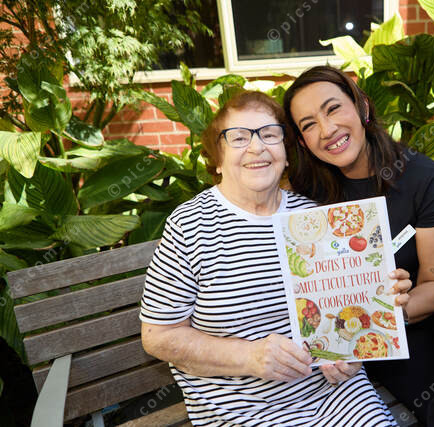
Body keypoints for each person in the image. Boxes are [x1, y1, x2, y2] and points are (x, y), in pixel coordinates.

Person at [139, 90, 410, 426]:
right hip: (242, 409)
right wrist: (249, 356)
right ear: (218, 158)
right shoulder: (190, 225)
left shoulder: (313, 218)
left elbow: (344, 313)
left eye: (269, 135)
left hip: (336, 396)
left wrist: (352, 352)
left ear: (285, 153)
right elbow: (158, 335)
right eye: (239, 137)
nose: (257, 147)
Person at [283, 66, 434, 427]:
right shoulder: (306, 195)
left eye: (333, 108)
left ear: (362, 106)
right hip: (378, 325)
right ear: (301, 141)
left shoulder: (423, 177)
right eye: (308, 125)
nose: (326, 130)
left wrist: (388, 313)